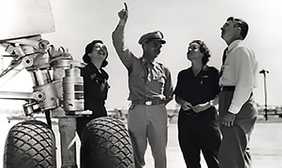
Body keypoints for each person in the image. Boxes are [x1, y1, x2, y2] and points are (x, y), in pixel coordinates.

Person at [112, 4, 173, 168]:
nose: (158, 48)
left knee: (160, 153)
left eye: (160, 46)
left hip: (158, 111)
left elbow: (169, 94)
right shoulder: (133, 62)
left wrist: (156, 105)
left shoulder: (164, 70)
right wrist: (122, 22)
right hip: (137, 111)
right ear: (144, 45)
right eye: (154, 44)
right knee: (136, 153)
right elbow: (118, 44)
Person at [174, 40, 221, 168]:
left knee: (214, 161)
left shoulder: (213, 73)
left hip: (208, 122)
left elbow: (220, 96)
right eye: (188, 48)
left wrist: (207, 104)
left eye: (193, 48)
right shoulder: (183, 75)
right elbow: (177, 96)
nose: (189, 50)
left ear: (202, 53)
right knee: (191, 163)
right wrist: (182, 102)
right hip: (186, 123)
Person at [218, 17, 258, 168]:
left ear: (238, 29)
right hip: (229, 99)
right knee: (236, 153)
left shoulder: (241, 50)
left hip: (236, 104)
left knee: (232, 157)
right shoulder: (231, 52)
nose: (222, 27)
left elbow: (245, 83)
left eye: (227, 25)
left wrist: (232, 111)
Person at [76, 40, 109, 139]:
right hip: (86, 117)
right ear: (89, 54)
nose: (102, 49)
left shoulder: (104, 75)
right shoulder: (83, 72)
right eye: (97, 47)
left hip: (101, 115)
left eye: (104, 48)